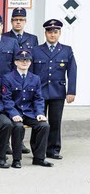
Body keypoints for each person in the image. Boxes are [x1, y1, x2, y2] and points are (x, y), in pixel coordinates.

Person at [33, 19, 77, 160]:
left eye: (55, 32)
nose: (52, 35)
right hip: (39, 92)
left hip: (57, 92)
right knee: (39, 121)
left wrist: (71, 91)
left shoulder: (66, 50)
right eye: (49, 32)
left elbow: (72, 71)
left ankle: (53, 149)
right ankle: (37, 148)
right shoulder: (36, 50)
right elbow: (32, 74)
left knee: (55, 121)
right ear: (45, 33)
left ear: (59, 33)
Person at [2, 50, 53, 168]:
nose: (24, 62)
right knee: (18, 127)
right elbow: (7, 99)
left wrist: (40, 113)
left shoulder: (35, 78)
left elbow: (38, 98)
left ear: (30, 63)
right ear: (16, 62)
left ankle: (39, 158)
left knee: (43, 126)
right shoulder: (8, 77)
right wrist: (13, 113)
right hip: (14, 112)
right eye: (21, 60)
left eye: (27, 60)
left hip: (29, 113)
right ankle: (16, 159)